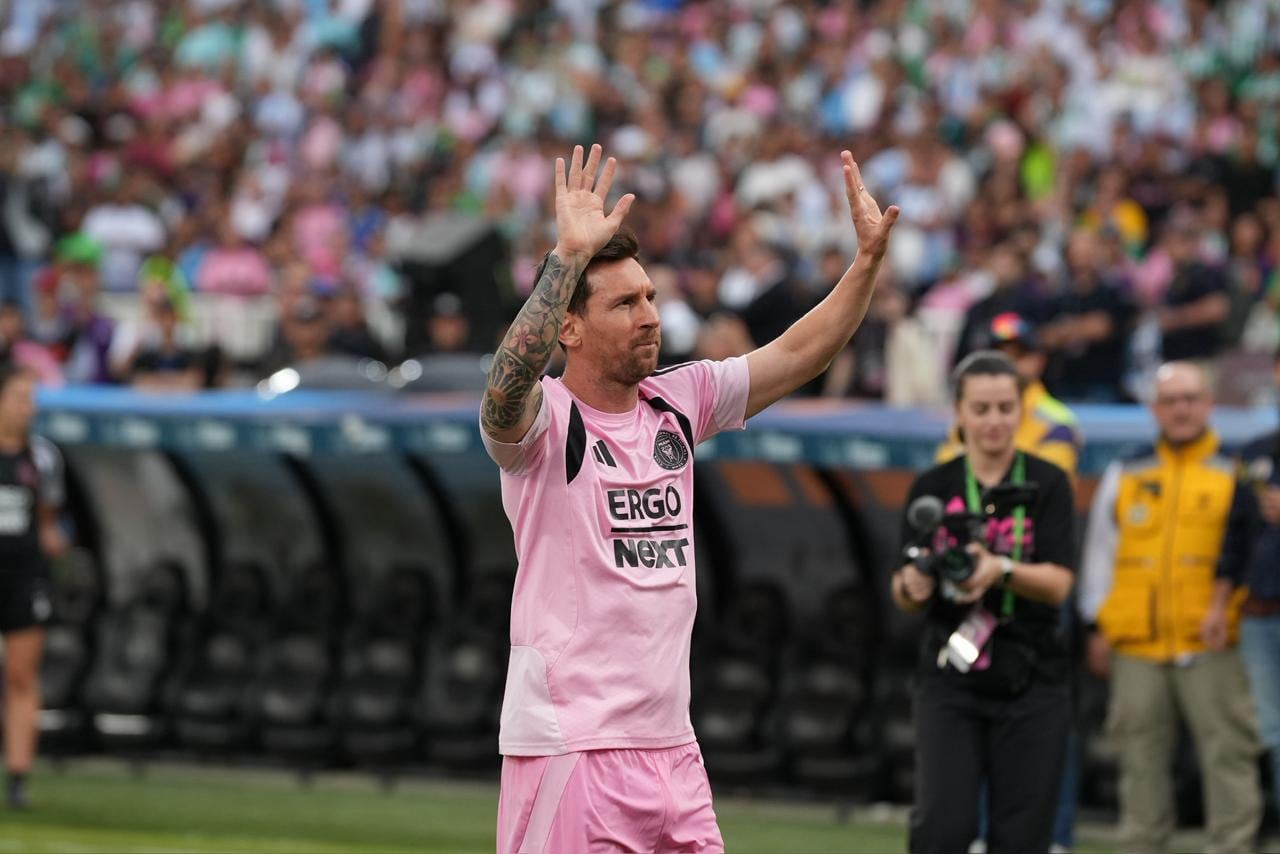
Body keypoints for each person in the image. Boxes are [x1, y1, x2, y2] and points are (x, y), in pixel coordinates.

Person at [481, 143, 898, 853]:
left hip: (672, 748)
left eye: (649, 297)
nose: (650, 316)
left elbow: (801, 354)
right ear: (570, 329)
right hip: (572, 745)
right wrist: (563, 265)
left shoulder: (679, 401)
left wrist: (864, 266)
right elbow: (501, 395)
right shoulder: (548, 424)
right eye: (624, 303)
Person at [893, 350, 1077, 854]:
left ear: (1021, 410)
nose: (993, 421)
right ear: (958, 413)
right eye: (981, 409)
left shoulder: (1049, 483)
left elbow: (1060, 584)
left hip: (1034, 671)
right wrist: (914, 586)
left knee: (1022, 834)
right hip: (949, 673)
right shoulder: (933, 486)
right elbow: (903, 586)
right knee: (941, 828)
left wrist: (1001, 569)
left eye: (1004, 408)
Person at [1079, 362, 1262, 854]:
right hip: (1136, 640)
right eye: (1171, 400)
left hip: (1213, 638)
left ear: (1208, 404)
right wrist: (1097, 623)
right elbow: (1101, 551)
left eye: (1190, 398)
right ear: (1155, 409)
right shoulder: (1128, 470)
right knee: (1139, 759)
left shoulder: (1236, 471)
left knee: (1228, 754)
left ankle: (1233, 846)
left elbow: (1249, 552)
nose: (1181, 408)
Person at [1216, 349, 1280, 821]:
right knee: (1272, 731)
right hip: (1260, 611)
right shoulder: (1258, 450)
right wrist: (1220, 603)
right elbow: (1234, 535)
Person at [0, 364, 67, 808]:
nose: (28, 408)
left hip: (23, 577)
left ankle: (18, 780)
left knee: (22, 675)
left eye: (32, 400)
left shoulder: (42, 458)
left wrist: (56, 541)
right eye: (20, 398)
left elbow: (48, 520)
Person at [937, 312, 1082, 480]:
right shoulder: (966, 414)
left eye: (1019, 355)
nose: (1007, 362)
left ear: (1040, 360)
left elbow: (1048, 486)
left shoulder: (1057, 421)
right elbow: (945, 474)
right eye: (998, 354)